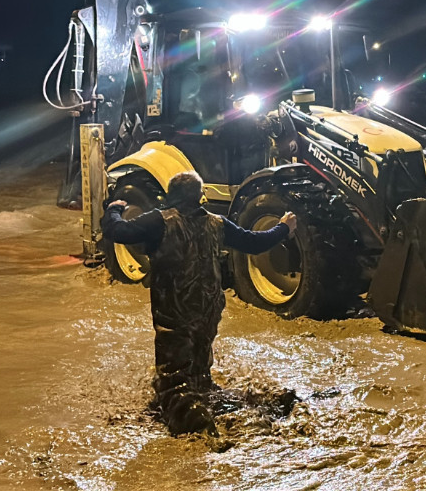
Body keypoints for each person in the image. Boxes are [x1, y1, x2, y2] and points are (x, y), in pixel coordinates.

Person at [102, 170, 297, 435]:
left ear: (170, 195)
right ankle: (214, 401)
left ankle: (194, 423)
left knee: (175, 378)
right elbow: (254, 242)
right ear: (200, 196)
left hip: (173, 312)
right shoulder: (217, 223)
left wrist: (113, 208)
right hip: (208, 309)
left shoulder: (159, 221)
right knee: (200, 369)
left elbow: (117, 231)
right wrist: (283, 227)